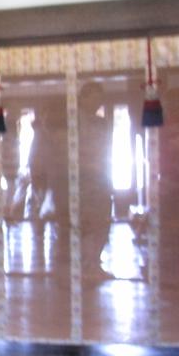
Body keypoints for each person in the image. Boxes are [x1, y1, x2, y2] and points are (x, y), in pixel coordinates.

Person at [77, 82, 112, 280]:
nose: (98, 102)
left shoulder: (102, 123)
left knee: (102, 220)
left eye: (100, 98)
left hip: (101, 176)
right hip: (83, 177)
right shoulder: (74, 122)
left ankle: (94, 262)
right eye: (94, 97)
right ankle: (86, 265)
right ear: (83, 98)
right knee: (87, 222)